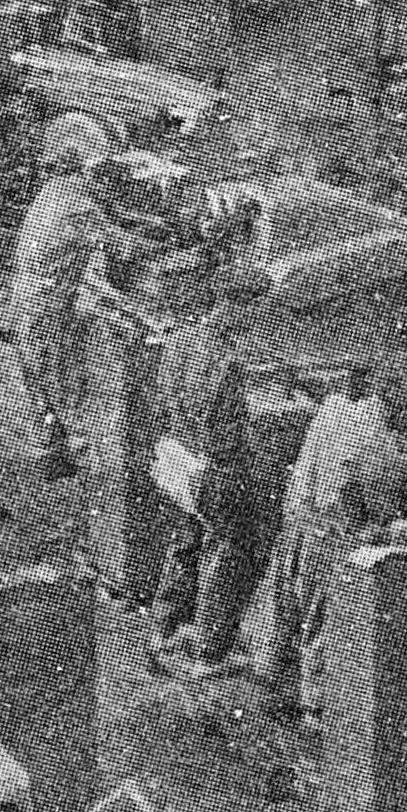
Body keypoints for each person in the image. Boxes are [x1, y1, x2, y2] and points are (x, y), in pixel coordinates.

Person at [264, 364, 407, 720]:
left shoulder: (336, 407)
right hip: (331, 532)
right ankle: (315, 711)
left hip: (303, 526)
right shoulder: (373, 433)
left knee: (291, 613)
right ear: (395, 397)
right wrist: (388, 528)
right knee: (322, 620)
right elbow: (358, 499)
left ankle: (280, 692)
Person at [149, 265, 279, 680]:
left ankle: (165, 630)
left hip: (174, 459)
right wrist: (254, 460)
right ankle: (210, 648)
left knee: (185, 543)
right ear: (239, 306)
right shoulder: (227, 361)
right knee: (231, 548)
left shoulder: (178, 340)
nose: (256, 321)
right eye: (256, 311)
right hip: (210, 469)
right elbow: (227, 437)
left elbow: (166, 405)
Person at [9, 115, 125, 431]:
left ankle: (57, 437)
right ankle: (72, 439)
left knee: (43, 383)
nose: (106, 183)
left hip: (29, 299)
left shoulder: (52, 191)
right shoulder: (78, 203)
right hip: (46, 304)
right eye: (102, 174)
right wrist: (167, 234)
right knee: (60, 382)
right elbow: (123, 246)